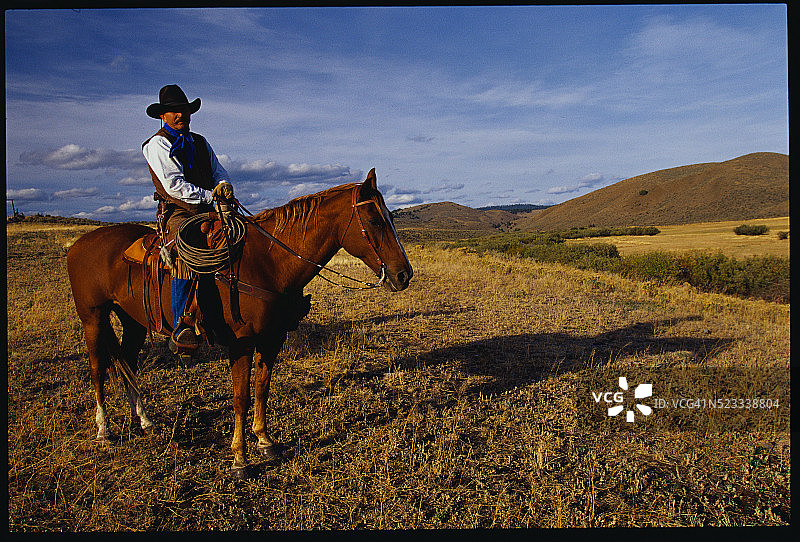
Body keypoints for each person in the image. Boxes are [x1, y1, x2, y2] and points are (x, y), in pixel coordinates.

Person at [142, 84, 234, 353]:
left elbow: (219, 170)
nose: (180, 115)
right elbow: (174, 186)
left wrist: (224, 185)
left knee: (241, 234)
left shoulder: (200, 142)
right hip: (178, 212)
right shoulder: (157, 144)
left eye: (183, 110)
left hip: (210, 205)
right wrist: (212, 197)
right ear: (163, 116)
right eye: (174, 112)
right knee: (187, 248)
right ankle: (182, 323)